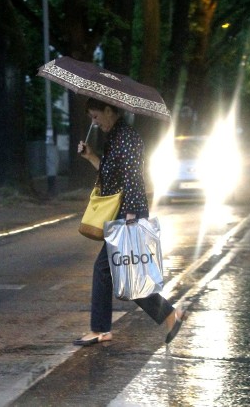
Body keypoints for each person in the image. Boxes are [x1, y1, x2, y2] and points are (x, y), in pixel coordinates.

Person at [75, 97, 186, 346]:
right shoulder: (115, 137)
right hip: (125, 213)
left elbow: (133, 179)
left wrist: (132, 216)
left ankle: (101, 329)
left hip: (129, 214)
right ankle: (170, 315)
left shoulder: (127, 138)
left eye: (95, 116)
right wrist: (91, 155)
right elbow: (110, 175)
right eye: (91, 118)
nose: (94, 122)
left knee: (107, 269)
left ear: (108, 110)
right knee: (127, 274)